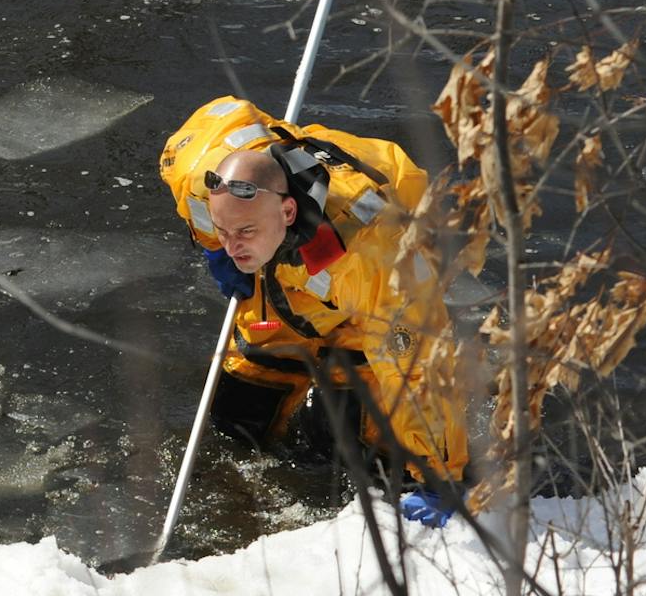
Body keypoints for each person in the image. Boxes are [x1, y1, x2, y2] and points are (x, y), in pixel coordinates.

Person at [185, 141, 468, 528]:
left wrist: (441, 478)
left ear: (287, 211)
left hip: (368, 300)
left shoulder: (376, 264)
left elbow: (419, 376)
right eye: (224, 230)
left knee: (363, 444)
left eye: (245, 231)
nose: (233, 246)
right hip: (289, 285)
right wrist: (213, 246)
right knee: (239, 416)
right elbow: (206, 137)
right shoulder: (200, 174)